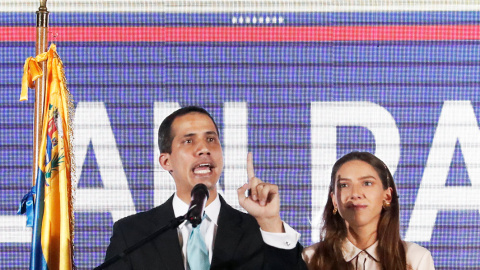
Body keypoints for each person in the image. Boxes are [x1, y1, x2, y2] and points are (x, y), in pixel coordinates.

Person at [104, 106, 306, 269]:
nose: (204, 149)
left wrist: (270, 221)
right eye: (189, 141)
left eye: (211, 139)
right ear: (166, 161)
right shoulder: (133, 235)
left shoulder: (260, 232)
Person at [302, 152, 435, 270]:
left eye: (367, 183)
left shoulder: (415, 259)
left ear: (387, 196)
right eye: (344, 185)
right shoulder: (310, 258)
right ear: (334, 200)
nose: (355, 194)